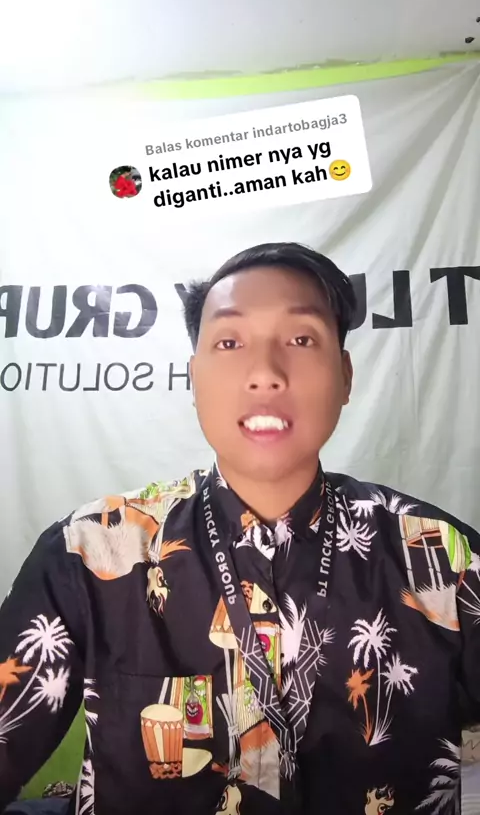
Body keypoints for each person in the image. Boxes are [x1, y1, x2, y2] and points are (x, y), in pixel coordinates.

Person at [0, 241, 479, 815]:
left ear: (346, 376)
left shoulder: (441, 557)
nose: (265, 373)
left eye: (301, 339)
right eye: (229, 343)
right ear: (193, 378)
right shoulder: (91, 549)